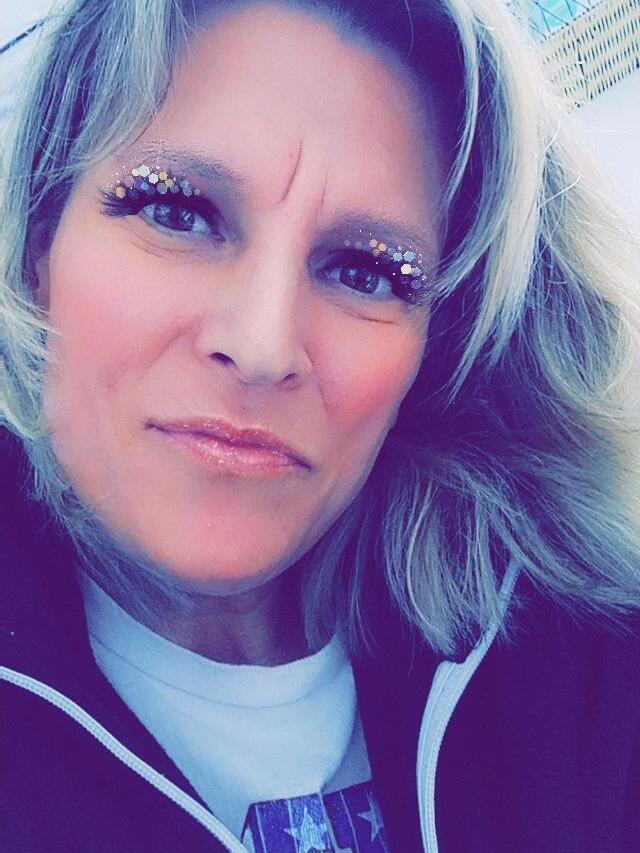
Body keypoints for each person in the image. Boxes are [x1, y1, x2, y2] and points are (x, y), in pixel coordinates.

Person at [1, 0, 640, 850]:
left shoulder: (589, 675)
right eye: (178, 212)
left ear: (434, 348)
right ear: (39, 248)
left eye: (367, 271)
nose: (263, 347)